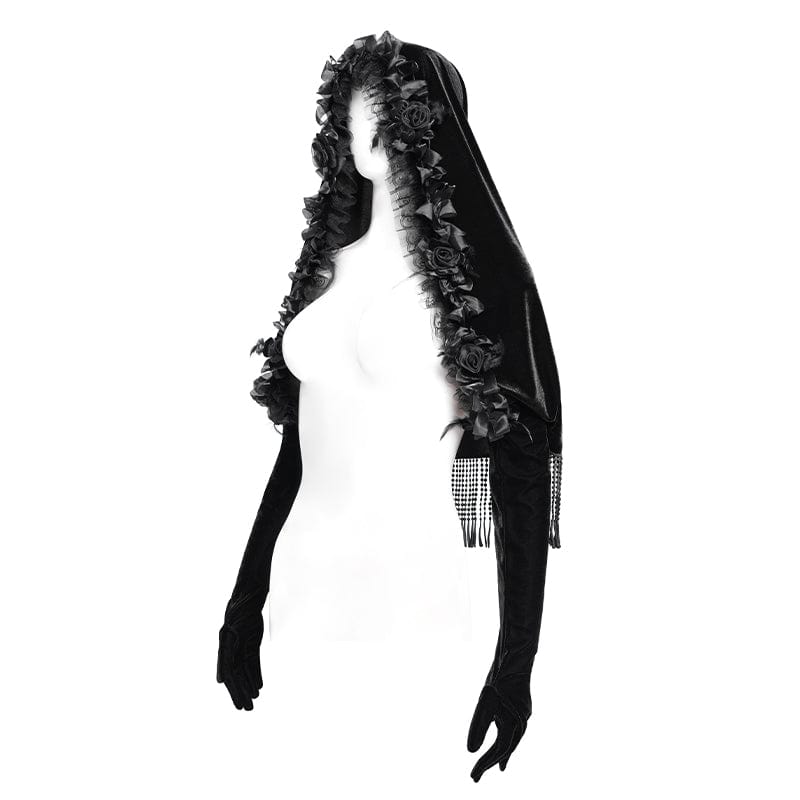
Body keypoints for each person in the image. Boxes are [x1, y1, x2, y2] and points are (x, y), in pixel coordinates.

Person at [217, 30, 564, 782]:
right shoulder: (328, 268)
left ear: (425, 122)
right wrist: (245, 597)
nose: (362, 121)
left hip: (415, 602)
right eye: (352, 106)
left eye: (384, 105)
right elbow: (300, 452)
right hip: (298, 593)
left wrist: (515, 665)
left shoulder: (480, 285)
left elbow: (522, 476)